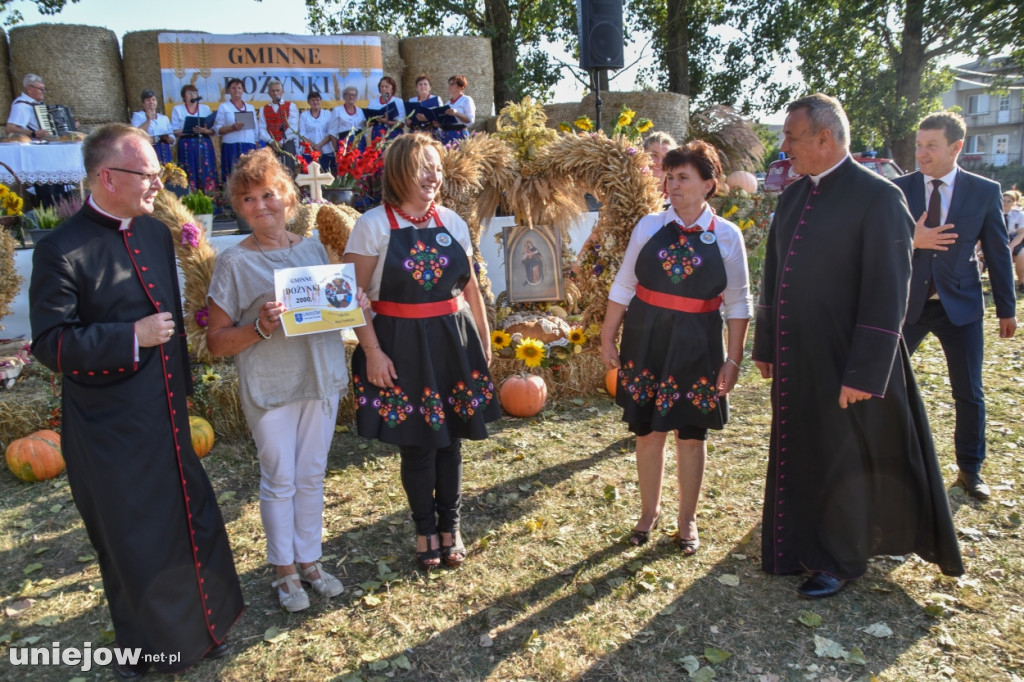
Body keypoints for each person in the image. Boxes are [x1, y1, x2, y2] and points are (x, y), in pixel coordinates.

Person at [28, 123, 244, 676]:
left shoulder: (152, 232)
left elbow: (169, 319)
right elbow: (51, 344)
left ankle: (207, 627)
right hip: (109, 425)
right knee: (135, 536)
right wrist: (131, 336)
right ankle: (149, 648)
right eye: (146, 174)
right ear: (107, 177)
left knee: (188, 520)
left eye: (157, 172)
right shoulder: (59, 249)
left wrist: (185, 392)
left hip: (167, 410)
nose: (157, 184)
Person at [752, 93, 964, 599]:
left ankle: (839, 558)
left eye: (791, 137)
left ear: (825, 139)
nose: (783, 148)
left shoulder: (879, 196)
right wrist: (765, 343)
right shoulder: (793, 195)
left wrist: (864, 372)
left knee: (842, 458)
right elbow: (774, 275)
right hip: (799, 352)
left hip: (848, 358)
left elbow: (889, 289)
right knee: (802, 446)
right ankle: (796, 543)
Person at [206, 147, 355, 612]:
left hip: (320, 375)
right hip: (270, 385)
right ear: (239, 207)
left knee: (311, 476)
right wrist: (259, 326)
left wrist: (351, 307)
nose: (260, 205)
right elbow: (215, 342)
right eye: (248, 199)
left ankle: (310, 562)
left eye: (268, 194)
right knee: (280, 477)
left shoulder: (312, 248)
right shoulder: (233, 263)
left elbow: (331, 310)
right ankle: (284, 572)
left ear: (288, 197)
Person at [343, 133, 498, 570]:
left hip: (453, 341)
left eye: (438, 167)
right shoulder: (372, 225)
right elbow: (351, 297)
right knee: (418, 445)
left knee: (451, 440)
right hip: (400, 346)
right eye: (424, 167)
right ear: (400, 171)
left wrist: (483, 342)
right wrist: (371, 351)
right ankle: (425, 529)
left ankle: (452, 526)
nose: (435, 176)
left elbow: (470, 288)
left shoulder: (453, 222)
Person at [601, 141, 751, 555]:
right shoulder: (648, 226)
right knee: (649, 431)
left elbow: (739, 302)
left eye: (683, 177)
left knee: (690, 434)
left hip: (698, 344)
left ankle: (687, 520)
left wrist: (733, 358)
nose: (672, 185)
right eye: (669, 177)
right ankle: (648, 514)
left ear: (709, 185)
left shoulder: (726, 236)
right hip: (647, 339)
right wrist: (606, 335)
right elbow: (624, 284)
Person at [894, 111, 1017, 501]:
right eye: (919, 145)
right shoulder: (897, 189)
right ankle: (884, 463)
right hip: (906, 306)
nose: (922, 153)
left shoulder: (983, 191)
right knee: (879, 384)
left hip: (960, 307)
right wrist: (913, 241)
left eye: (931, 146)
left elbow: (998, 252)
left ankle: (970, 468)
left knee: (969, 392)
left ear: (956, 147)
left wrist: (1006, 308)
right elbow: (876, 246)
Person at [171, 84, 218, 193]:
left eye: (194, 93)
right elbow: (174, 131)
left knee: (206, 170)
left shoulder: (205, 109)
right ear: (184, 96)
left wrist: (205, 131)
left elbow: (212, 130)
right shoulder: (177, 109)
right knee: (189, 171)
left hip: (203, 143)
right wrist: (188, 130)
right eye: (189, 93)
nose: (193, 95)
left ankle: (209, 197)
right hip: (187, 143)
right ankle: (190, 197)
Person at [216, 78, 258, 182]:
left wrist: (256, 143)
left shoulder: (250, 107)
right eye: (233, 88)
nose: (236, 90)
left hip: (249, 144)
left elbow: (255, 128)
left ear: (243, 90)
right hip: (231, 144)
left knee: (249, 175)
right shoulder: (224, 107)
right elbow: (218, 129)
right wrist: (232, 128)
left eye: (239, 88)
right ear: (229, 91)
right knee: (232, 175)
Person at [258, 79, 299, 172]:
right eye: (273, 91)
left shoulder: (291, 106)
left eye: (277, 90)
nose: (275, 93)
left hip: (287, 143)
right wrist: (272, 142)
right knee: (271, 171)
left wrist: (281, 141)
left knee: (288, 171)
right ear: (269, 93)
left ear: (282, 92)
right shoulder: (263, 109)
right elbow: (262, 128)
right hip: (271, 144)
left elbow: (293, 127)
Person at [131, 89, 175, 165]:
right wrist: (148, 119)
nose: (151, 102)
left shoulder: (164, 118)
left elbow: (172, 140)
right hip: (148, 149)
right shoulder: (138, 116)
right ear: (143, 103)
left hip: (163, 149)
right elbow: (136, 133)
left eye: (153, 100)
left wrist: (167, 138)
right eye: (148, 100)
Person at [299, 90, 337, 173]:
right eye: (313, 100)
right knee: (309, 177)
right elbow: (302, 134)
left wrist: (319, 146)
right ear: (309, 102)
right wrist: (314, 146)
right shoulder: (304, 116)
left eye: (317, 100)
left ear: (321, 101)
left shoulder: (328, 114)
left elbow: (331, 132)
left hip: (326, 151)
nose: (315, 102)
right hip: (309, 152)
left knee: (327, 176)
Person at [6, 73, 48, 139]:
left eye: (44, 89)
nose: (44, 92)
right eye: (41, 89)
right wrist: (33, 133)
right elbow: (10, 128)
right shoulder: (21, 105)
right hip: (33, 145)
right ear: (29, 89)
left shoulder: (37, 104)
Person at [439, 74, 474, 145]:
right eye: (449, 84)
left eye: (452, 84)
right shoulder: (447, 103)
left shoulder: (466, 100)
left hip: (459, 133)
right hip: (446, 134)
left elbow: (470, 120)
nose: (449, 86)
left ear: (460, 87)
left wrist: (456, 113)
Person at [368, 76, 405, 142]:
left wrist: (386, 121)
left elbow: (401, 124)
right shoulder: (373, 102)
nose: (384, 89)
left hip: (394, 134)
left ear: (392, 89)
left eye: (387, 86)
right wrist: (373, 120)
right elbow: (368, 123)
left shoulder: (398, 102)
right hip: (378, 134)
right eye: (382, 86)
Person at [1002, 190, 1024, 291]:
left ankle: (1022, 282)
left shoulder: (1019, 215)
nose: (1005, 203)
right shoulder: (994, 212)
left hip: (1015, 239)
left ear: (1014, 203)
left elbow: (1021, 234)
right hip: (998, 239)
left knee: (1021, 255)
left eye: (1009, 201)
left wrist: (1010, 247)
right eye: (1003, 200)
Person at [332, 86, 366, 150]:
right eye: (349, 95)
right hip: (344, 143)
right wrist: (337, 150)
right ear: (344, 96)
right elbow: (332, 133)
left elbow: (364, 128)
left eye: (353, 95)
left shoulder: (360, 111)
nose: (351, 97)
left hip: (360, 143)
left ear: (356, 97)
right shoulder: (337, 110)